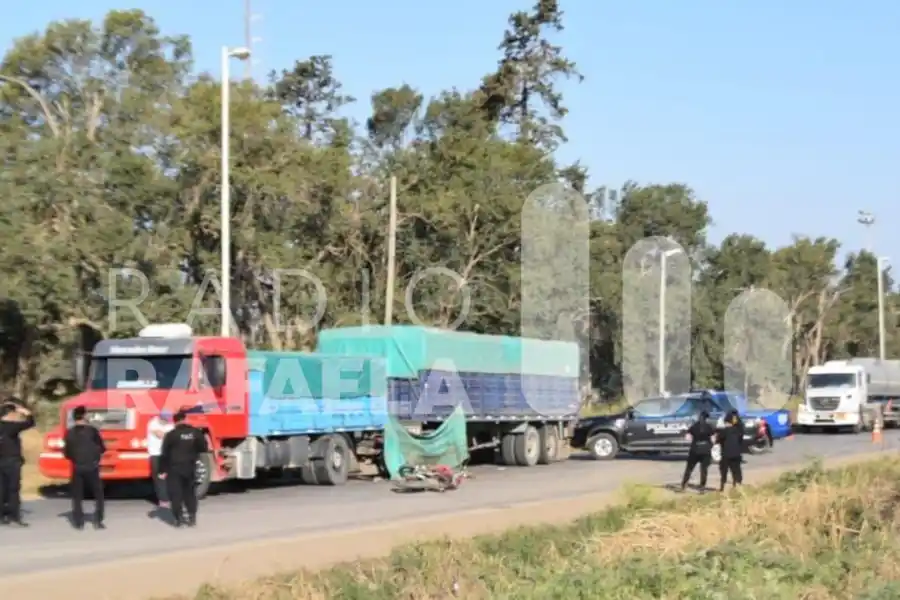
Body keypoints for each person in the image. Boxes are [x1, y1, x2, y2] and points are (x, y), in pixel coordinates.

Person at [159, 409, 208, 527]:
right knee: (190, 493)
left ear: (175, 422)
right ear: (185, 419)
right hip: (190, 467)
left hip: (174, 468)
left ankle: (178, 518)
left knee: (176, 494)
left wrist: (162, 470)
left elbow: (164, 453)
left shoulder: (171, 435)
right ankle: (192, 517)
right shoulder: (195, 433)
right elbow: (203, 448)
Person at [63, 405, 106, 530]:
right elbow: (102, 448)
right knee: (98, 494)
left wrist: (75, 458)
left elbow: (66, 452)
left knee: (77, 495)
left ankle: (78, 522)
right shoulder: (92, 431)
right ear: (84, 416)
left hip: (77, 466)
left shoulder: (69, 432)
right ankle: (98, 520)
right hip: (92, 466)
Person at [0, 398, 36, 526]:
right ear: (11, 413)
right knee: (13, 490)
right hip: (12, 462)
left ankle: (2, 517)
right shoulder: (12, 427)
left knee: (2, 489)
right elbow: (30, 422)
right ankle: (14, 517)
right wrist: (25, 411)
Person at [681, 409, 715, 492]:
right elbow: (713, 439)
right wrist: (711, 445)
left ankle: (684, 485)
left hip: (695, 449)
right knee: (704, 469)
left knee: (689, 468)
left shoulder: (694, 426)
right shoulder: (709, 427)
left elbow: (687, 438)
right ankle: (702, 486)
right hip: (706, 450)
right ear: (707, 418)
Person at [147, 411, 174, 507]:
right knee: (158, 477)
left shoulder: (170, 425)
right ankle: (163, 499)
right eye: (166, 420)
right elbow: (159, 434)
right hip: (155, 454)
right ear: (161, 418)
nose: (168, 422)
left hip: (166, 454)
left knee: (167, 476)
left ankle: (168, 497)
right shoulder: (153, 423)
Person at [718, 409, 745, 491]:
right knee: (736, 470)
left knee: (724, 471)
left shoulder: (724, 431)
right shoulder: (738, 430)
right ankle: (738, 485)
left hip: (726, 454)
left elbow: (719, 440)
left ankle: (723, 487)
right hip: (736, 453)